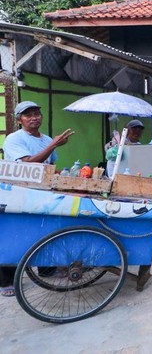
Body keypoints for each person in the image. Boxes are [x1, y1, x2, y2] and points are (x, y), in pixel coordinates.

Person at [1, 100, 74, 297]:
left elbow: (50, 167)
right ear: (19, 120)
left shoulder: (46, 139)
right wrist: (54, 144)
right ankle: (6, 279)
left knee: (43, 230)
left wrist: (67, 174)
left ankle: (46, 268)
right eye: (28, 114)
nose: (34, 117)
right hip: (18, 193)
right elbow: (28, 165)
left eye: (37, 113)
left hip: (42, 193)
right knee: (16, 233)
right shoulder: (14, 139)